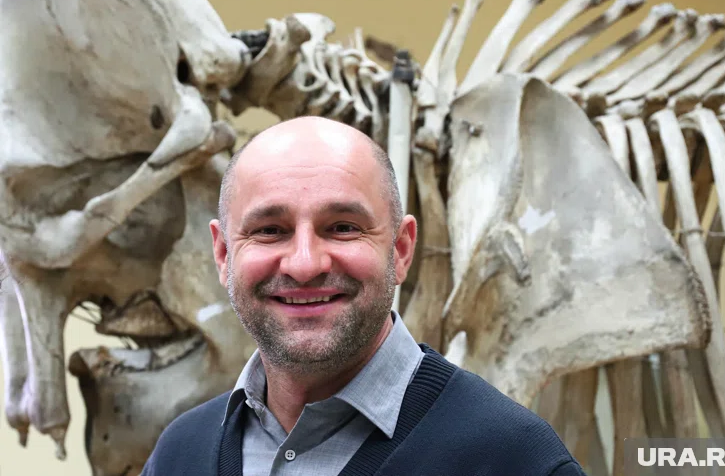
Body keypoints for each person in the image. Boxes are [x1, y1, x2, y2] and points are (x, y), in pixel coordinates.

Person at [141, 116, 586, 476]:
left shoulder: (513, 461)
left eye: (343, 227)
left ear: (401, 249)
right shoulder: (181, 453)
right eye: (270, 230)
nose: (304, 264)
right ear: (223, 254)